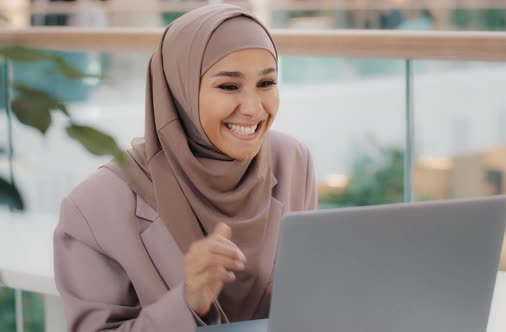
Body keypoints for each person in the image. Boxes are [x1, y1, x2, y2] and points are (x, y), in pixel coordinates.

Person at [53, 4, 317, 331]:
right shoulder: (93, 207)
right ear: (180, 92)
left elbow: (307, 297)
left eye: (266, 83)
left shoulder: (292, 160)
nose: (253, 108)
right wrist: (188, 301)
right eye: (229, 86)